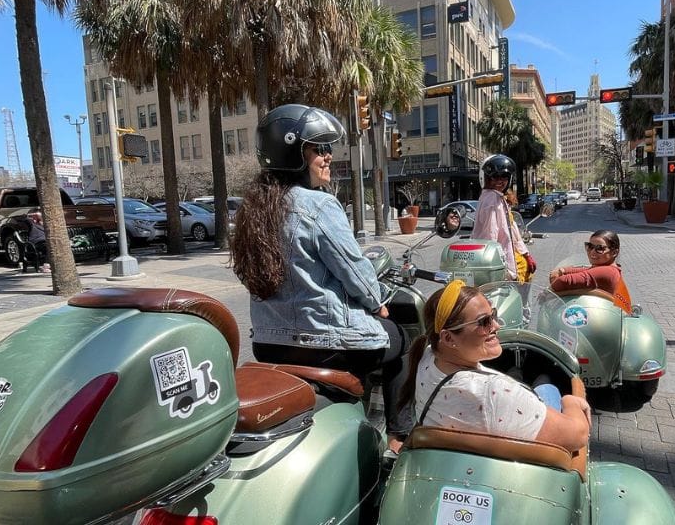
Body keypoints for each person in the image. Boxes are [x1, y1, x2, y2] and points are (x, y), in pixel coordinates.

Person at [231, 104, 412, 455]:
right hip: (325, 346)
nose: (328, 156)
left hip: (268, 343)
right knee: (402, 341)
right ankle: (399, 438)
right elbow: (354, 270)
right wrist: (378, 304)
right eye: (319, 148)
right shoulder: (317, 205)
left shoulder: (254, 210)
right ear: (294, 152)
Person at [398, 281, 590, 452]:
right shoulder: (492, 393)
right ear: (448, 338)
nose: (497, 325)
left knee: (518, 375)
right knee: (547, 385)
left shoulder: (428, 355)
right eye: (484, 322)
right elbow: (578, 435)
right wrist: (571, 401)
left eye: (494, 315)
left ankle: (518, 373)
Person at [470, 154, 535, 282]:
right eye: (495, 177)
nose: (500, 181)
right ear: (487, 178)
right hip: (497, 262)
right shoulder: (492, 198)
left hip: (502, 258)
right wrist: (493, 265)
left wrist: (526, 253)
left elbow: (511, 230)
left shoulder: (496, 197)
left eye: (504, 176)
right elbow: (491, 234)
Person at [548, 230, 632, 313]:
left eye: (600, 248)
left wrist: (553, 289)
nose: (592, 252)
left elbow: (562, 282)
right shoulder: (610, 268)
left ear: (614, 252)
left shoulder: (607, 271)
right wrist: (562, 270)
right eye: (590, 246)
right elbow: (587, 270)